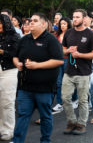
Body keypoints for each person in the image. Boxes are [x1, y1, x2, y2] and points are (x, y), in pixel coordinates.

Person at [12, 13, 64, 143]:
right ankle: (18, 140)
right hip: (25, 87)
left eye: (35, 21)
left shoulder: (51, 40)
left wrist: (37, 65)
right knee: (23, 115)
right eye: (30, 21)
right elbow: (15, 56)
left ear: (44, 24)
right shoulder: (24, 39)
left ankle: (45, 140)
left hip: (44, 88)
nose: (31, 23)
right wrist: (17, 63)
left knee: (45, 117)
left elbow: (59, 61)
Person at [61, 9, 93, 135]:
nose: (75, 19)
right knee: (65, 98)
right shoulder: (68, 33)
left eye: (77, 17)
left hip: (83, 72)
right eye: (73, 17)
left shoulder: (90, 34)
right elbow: (63, 49)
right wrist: (68, 51)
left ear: (84, 18)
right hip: (69, 71)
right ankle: (71, 122)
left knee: (83, 100)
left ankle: (81, 124)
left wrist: (79, 55)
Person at [0, 14, 20, 141]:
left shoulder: (14, 37)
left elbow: (17, 54)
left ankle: (8, 130)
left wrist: (2, 52)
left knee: (7, 101)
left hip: (9, 70)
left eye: (0, 23)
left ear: (6, 23)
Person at [52, 17, 75, 113]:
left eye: (64, 24)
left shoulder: (72, 34)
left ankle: (74, 99)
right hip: (58, 60)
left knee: (70, 82)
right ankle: (60, 103)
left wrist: (66, 51)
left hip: (67, 60)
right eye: (61, 24)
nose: (62, 26)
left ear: (68, 24)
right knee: (58, 82)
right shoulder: (56, 35)